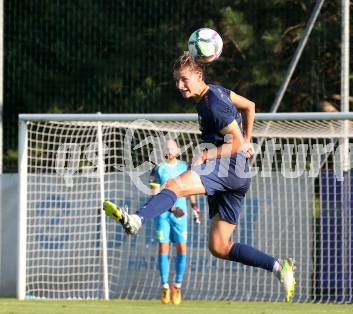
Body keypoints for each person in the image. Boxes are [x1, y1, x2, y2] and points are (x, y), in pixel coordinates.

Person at [103, 51, 296, 302]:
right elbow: (250, 106)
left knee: (174, 185)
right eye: (176, 80)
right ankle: (280, 268)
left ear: (198, 75)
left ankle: (138, 219)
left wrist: (209, 155)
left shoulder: (213, 105)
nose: (179, 85)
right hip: (237, 172)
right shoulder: (217, 92)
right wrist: (248, 140)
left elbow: (236, 142)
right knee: (219, 246)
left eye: (184, 79)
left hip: (226, 166)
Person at [149, 139, 200, 305]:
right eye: (167, 147)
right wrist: (171, 209)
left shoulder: (185, 167)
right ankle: (164, 286)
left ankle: (177, 286)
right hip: (164, 214)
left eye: (172, 147)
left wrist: (194, 208)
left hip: (181, 215)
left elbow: (190, 189)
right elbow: (154, 195)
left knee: (181, 248)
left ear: (178, 150)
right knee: (164, 248)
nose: (169, 150)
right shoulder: (158, 169)